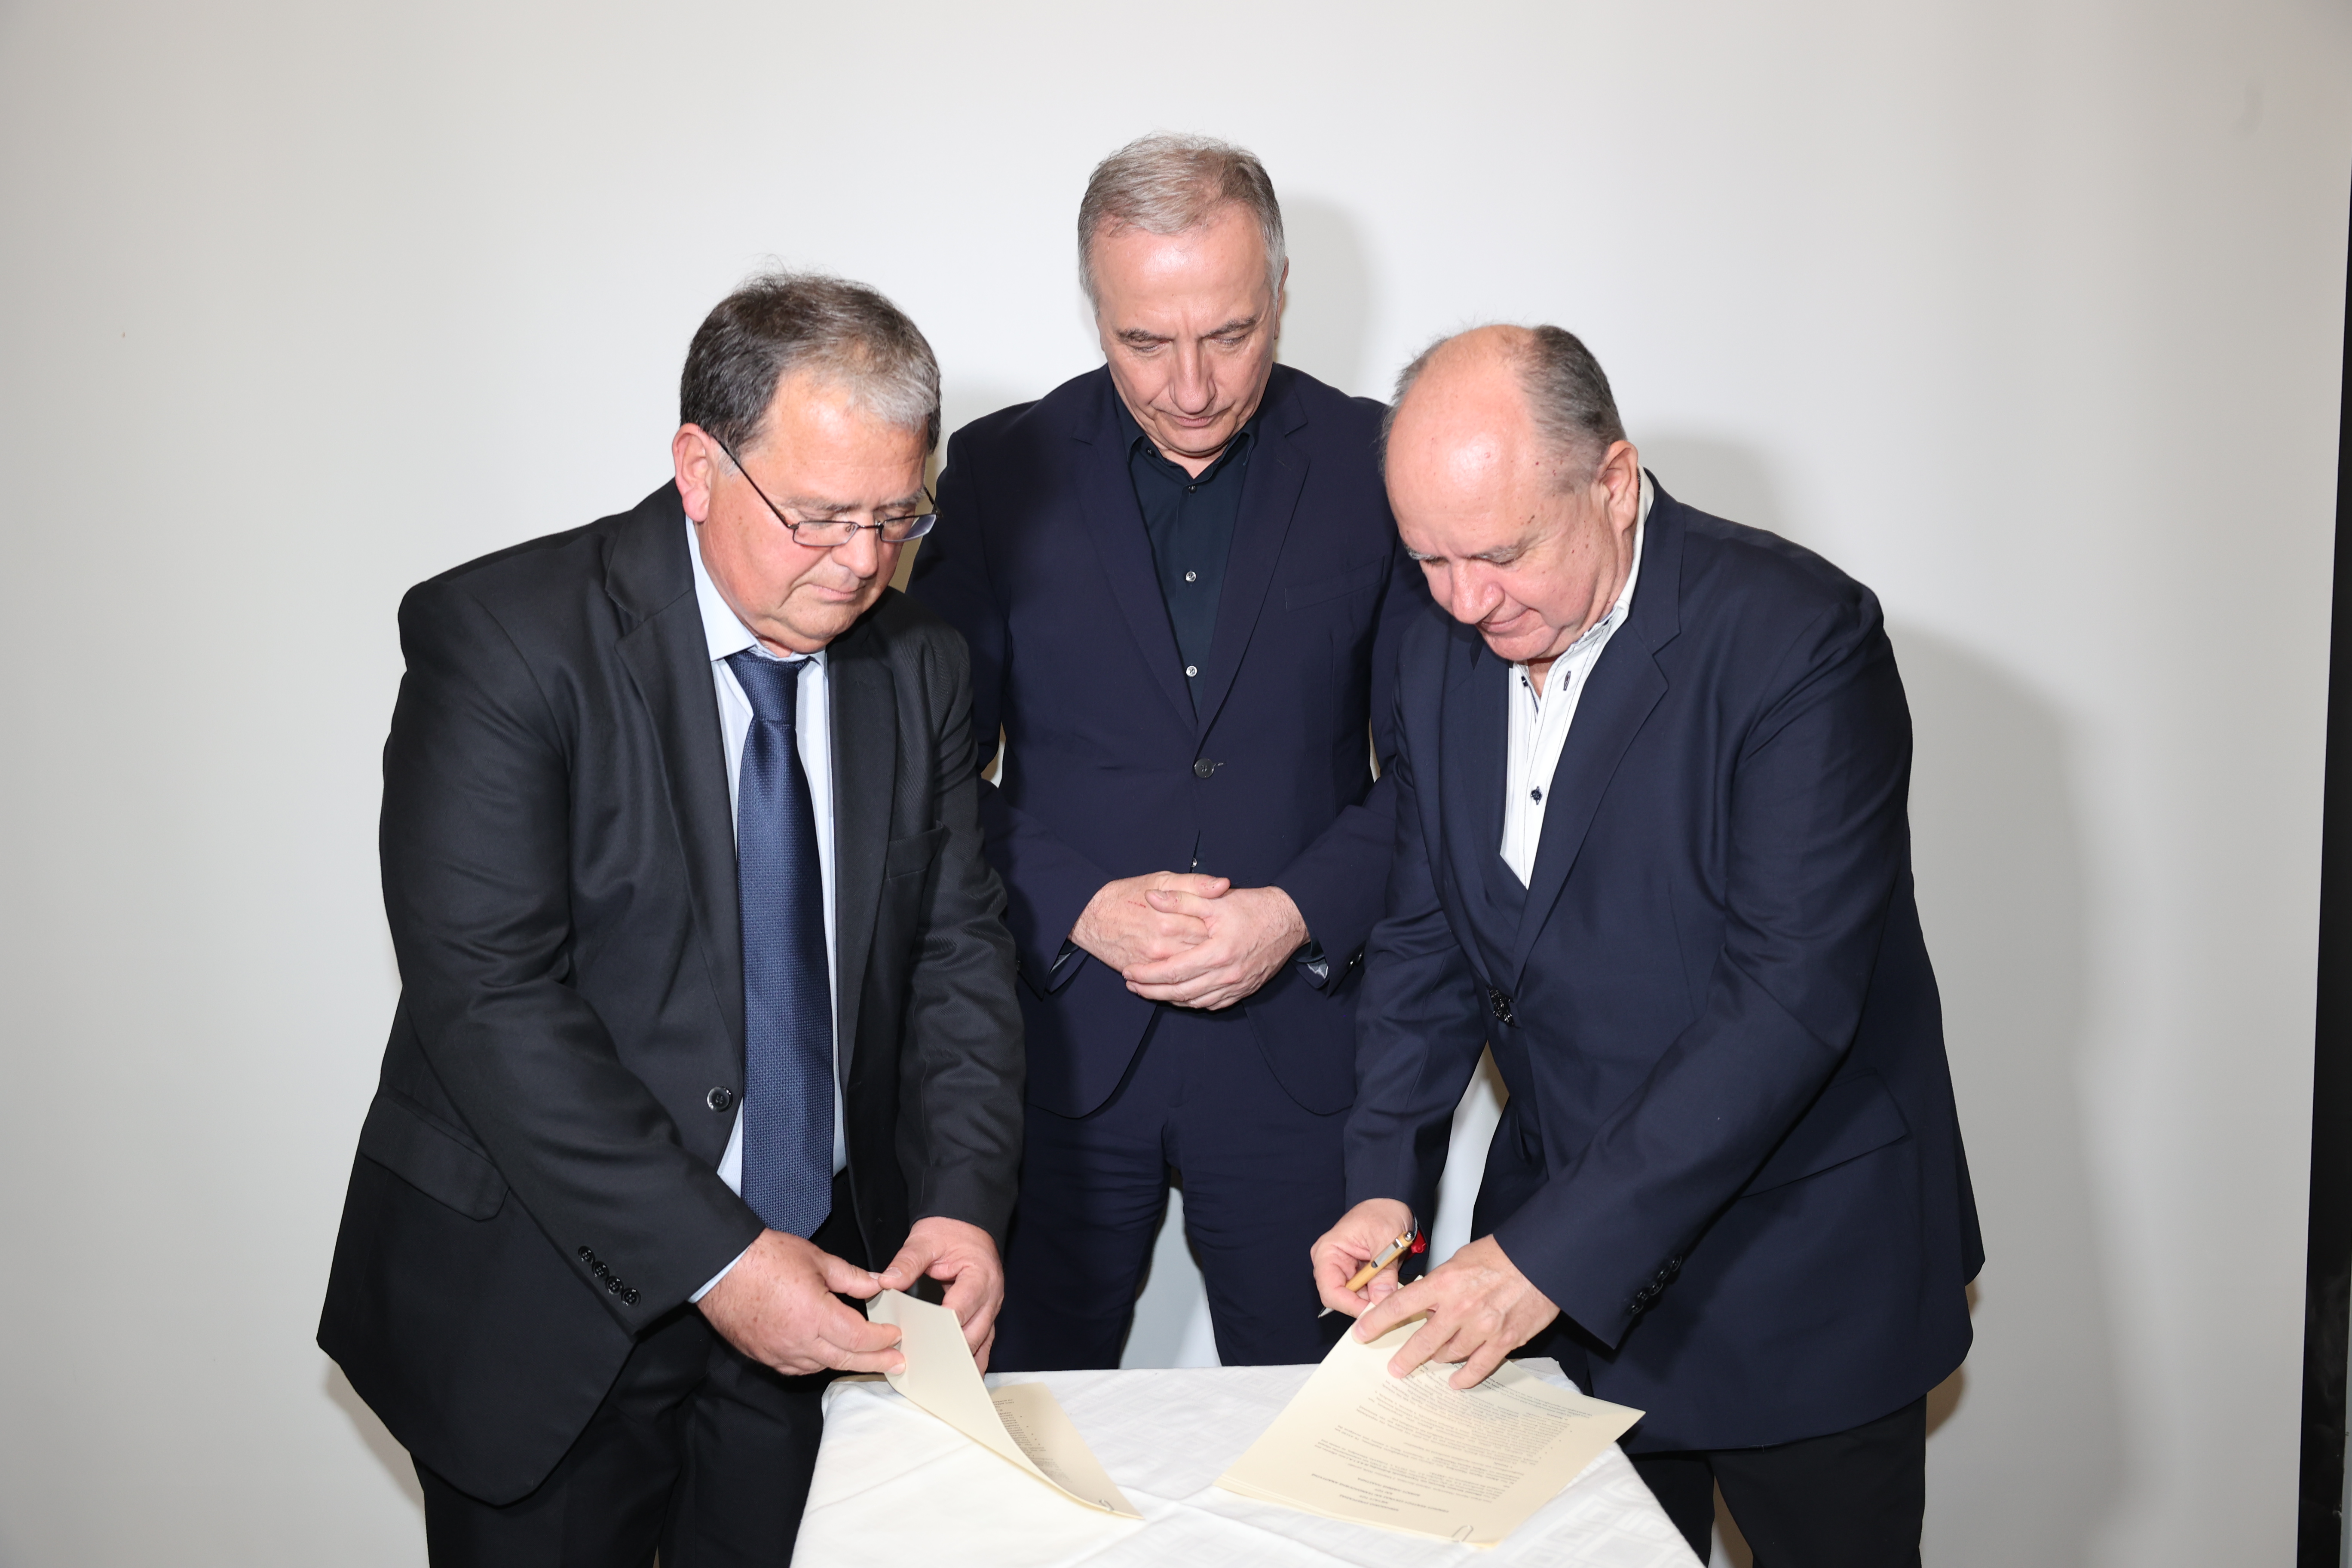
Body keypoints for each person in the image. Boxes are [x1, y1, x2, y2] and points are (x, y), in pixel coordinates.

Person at [318, 273, 1025, 1565]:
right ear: (700, 468)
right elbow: (489, 1001)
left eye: (897, 515)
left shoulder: (919, 663)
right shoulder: (505, 640)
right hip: (541, 1306)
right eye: (820, 516)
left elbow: (954, 952)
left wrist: (965, 1200)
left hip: (820, 1287)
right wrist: (722, 1261)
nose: (863, 562)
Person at [1313, 324, 1981, 1565]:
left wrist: (1542, 1261)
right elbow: (1427, 930)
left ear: (1614, 483)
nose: (1464, 601)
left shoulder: (1800, 637)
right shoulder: (1433, 644)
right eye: (1430, 559)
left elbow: (1787, 1002)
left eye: (1501, 553)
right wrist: (1382, 1180)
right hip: (1564, 1291)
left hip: (1799, 1277)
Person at [907, 134, 1424, 1369]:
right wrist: (1079, 905)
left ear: (1282, 294)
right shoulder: (998, 471)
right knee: (1021, 1426)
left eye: (1230, 335)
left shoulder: (1383, 464)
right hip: (1057, 1056)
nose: (1190, 387)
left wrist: (1294, 912)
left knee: (1322, 1431)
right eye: (1144, 342)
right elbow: (923, 764)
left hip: (1306, 1059)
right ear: (1094, 308)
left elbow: (1437, 774)